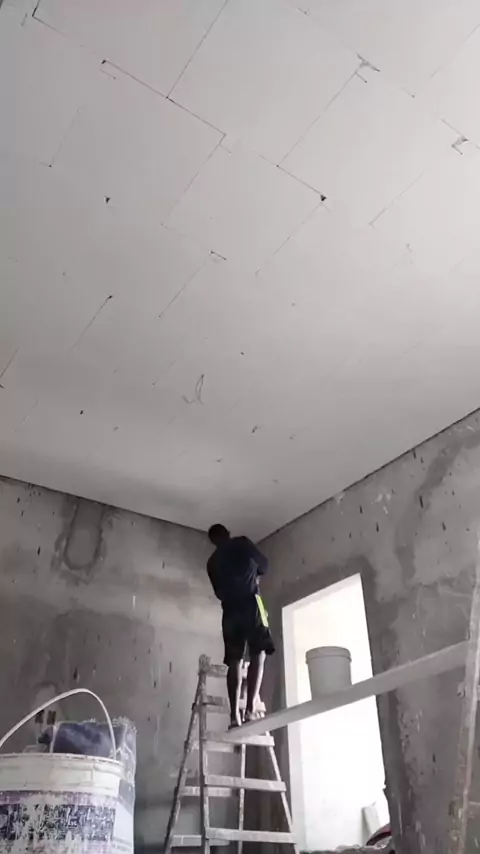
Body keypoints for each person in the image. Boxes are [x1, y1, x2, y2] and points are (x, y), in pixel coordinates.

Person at [207, 524, 275, 728]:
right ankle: (250, 710)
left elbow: (219, 592)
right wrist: (252, 574)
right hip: (253, 603)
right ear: (227, 533)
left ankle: (234, 716)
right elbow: (264, 566)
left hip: (230, 611)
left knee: (234, 661)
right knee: (259, 652)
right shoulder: (242, 543)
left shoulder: (212, 562)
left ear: (213, 541)